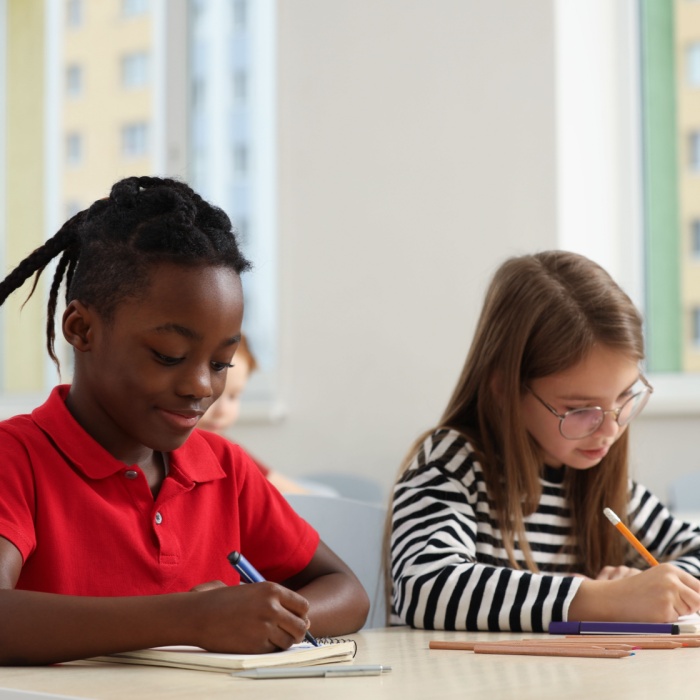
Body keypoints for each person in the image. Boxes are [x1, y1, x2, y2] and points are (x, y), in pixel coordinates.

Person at [0, 176, 368, 665]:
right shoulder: (17, 458)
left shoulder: (223, 469)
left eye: (220, 363)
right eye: (169, 355)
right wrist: (192, 620)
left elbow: (348, 592)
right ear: (82, 329)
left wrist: (263, 618)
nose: (201, 386)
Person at [389, 250, 700, 632]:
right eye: (580, 409)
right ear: (504, 389)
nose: (610, 430)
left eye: (624, 398)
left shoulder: (601, 484)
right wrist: (604, 601)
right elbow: (425, 588)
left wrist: (658, 587)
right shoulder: (452, 464)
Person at [197, 334, 310, 494]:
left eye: (233, 396)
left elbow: (280, 486)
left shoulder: (227, 449)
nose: (222, 410)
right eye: (210, 394)